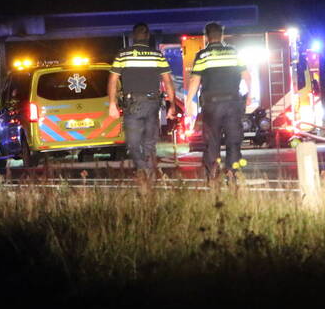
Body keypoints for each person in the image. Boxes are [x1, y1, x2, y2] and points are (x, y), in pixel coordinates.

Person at [108, 23, 176, 187]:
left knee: (133, 143)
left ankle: (145, 173)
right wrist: (171, 104)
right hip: (153, 104)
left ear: (133, 37)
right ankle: (148, 174)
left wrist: (112, 104)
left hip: (132, 105)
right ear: (148, 36)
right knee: (149, 143)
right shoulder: (157, 55)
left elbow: (112, 80)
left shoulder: (123, 55)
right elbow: (168, 81)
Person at [185, 22, 252, 184]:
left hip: (212, 106)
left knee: (212, 142)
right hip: (233, 103)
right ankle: (233, 175)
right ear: (222, 35)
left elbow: (195, 80)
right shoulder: (234, 52)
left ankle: (213, 177)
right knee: (234, 140)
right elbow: (247, 76)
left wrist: (189, 102)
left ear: (206, 37)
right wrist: (249, 95)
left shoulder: (202, 55)